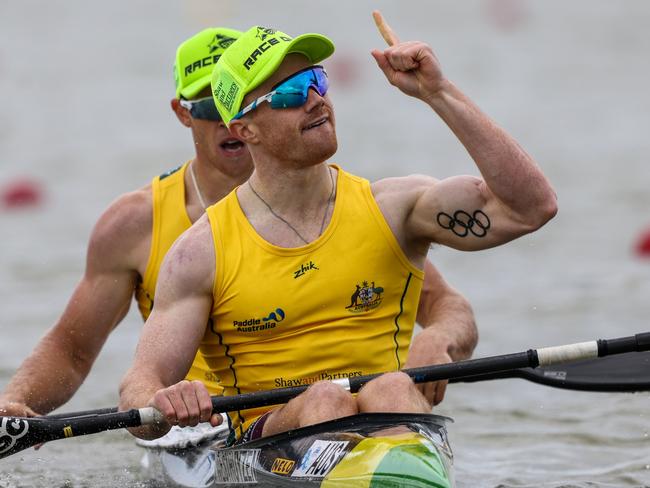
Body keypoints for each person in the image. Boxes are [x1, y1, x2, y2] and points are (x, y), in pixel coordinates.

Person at [118, 12, 556, 443]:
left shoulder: (393, 208)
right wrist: (166, 401)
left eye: (317, 80)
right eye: (290, 92)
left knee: (390, 387)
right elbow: (137, 392)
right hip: (265, 440)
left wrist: (437, 92)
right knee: (326, 400)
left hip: (391, 413)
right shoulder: (202, 251)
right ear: (243, 128)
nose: (315, 99)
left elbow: (530, 209)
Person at [0, 26, 475, 419]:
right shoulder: (135, 225)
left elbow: (445, 305)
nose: (228, 122)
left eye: (249, 99)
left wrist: (440, 337)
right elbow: (72, 351)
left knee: (354, 398)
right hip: (204, 424)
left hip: (347, 404)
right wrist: (12, 404)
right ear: (183, 114)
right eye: (211, 107)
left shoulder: (336, 205)